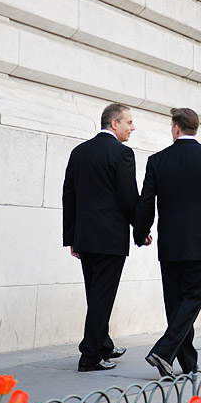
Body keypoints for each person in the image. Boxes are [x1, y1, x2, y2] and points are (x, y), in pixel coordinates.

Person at [134, 108, 201, 377]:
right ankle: (164, 352)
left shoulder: (157, 161)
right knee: (189, 302)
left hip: (170, 246)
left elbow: (146, 203)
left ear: (176, 128)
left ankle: (188, 364)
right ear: (194, 128)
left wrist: (140, 233)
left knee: (178, 304)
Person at [63, 103, 148, 372]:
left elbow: (69, 196)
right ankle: (89, 355)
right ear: (114, 124)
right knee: (102, 296)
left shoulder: (79, 152)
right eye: (128, 122)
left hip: (85, 238)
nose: (132, 127)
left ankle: (103, 344)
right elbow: (128, 196)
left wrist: (72, 237)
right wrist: (141, 229)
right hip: (110, 240)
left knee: (95, 294)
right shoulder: (122, 153)